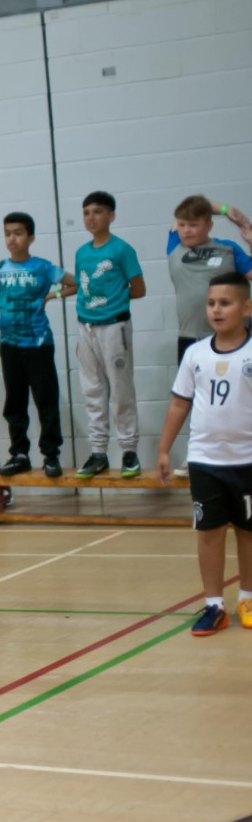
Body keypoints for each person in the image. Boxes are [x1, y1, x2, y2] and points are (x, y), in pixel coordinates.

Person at [156, 272, 252, 636]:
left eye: (225, 303)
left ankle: (247, 597)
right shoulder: (195, 354)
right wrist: (164, 449)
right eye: (211, 303)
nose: (216, 309)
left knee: (247, 532)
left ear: (246, 308)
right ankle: (214, 604)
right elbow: (180, 404)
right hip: (205, 461)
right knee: (209, 532)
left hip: (247, 461)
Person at [0, 211, 75, 478]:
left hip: (39, 344)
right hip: (9, 345)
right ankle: (19, 454)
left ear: (30, 237)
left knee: (46, 400)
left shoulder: (43, 267)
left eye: (18, 233)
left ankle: (51, 456)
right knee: (15, 402)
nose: (12, 239)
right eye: (8, 233)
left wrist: (53, 295)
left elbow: (77, 282)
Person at [72, 191, 146, 479]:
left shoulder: (121, 249)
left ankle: (129, 452)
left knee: (121, 390)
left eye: (98, 212)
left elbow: (138, 289)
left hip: (114, 327)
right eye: (87, 212)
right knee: (92, 390)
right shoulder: (81, 252)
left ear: (111, 216)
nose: (92, 217)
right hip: (85, 327)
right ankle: (99, 452)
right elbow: (83, 287)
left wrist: (113, 301)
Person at [166, 195, 252, 364]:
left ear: (209, 225)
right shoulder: (175, 246)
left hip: (231, 335)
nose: (186, 230)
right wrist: (225, 209)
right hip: (190, 336)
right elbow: (187, 206)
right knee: (191, 390)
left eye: (193, 225)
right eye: (182, 225)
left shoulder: (228, 248)